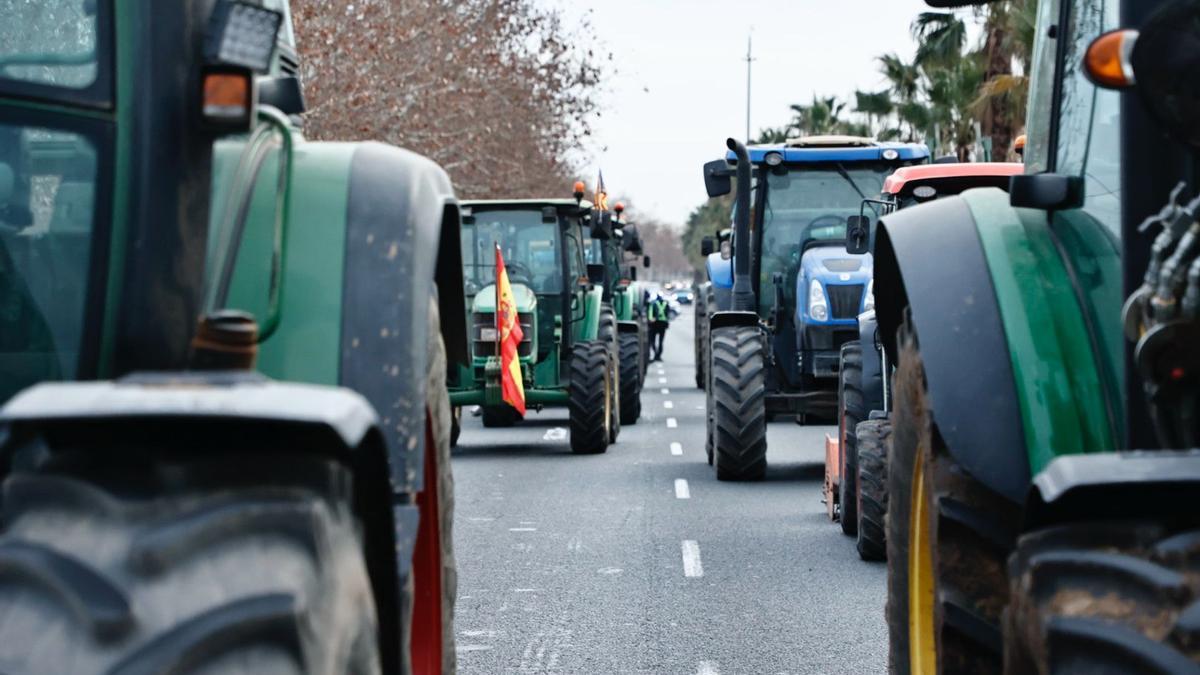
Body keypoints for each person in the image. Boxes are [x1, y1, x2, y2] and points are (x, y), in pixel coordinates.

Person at [648, 293, 670, 361]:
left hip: (654, 323)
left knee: (652, 341)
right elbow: (668, 313)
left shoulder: (653, 303)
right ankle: (658, 356)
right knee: (661, 341)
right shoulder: (666, 303)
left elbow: (650, 312)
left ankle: (655, 354)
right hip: (663, 323)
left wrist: (650, 319)